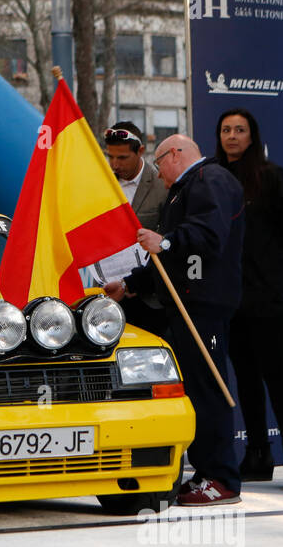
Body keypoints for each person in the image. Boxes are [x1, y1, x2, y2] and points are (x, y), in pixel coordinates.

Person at [104, 133, 245, 506]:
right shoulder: (186, 189)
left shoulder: (209, 180)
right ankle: (205, 469)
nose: (158, 173)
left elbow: (208, 234)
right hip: (184, 302)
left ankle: (223, 477)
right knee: (195, 390)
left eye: (159, 162)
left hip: (203, 303)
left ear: (175, 155)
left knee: (209, 389)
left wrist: (164, 242)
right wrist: (132, 285)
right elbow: (169, 258)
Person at [214, 108, 283, 491]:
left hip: (268, 297)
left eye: (240, 130)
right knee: (246, 378)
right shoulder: (213, 178)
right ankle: (257, 455)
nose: (232, 136)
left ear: (252, 136)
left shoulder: (272, 177)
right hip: (230, 297)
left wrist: (275, 271)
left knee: (277, 376)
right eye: (226, 130)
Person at [80, 122, 169, 337]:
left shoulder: (162, 185)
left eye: (122, 158)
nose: (114, 164)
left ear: (140, 151)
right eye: (110, 156)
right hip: (107, 293)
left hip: (148, 296)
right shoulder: (99, 185)